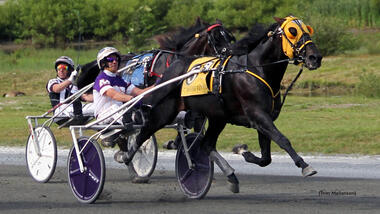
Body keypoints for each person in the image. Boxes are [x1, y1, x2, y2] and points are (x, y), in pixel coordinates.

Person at [93, 47, 152, 162]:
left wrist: (160, 85)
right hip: (103, 117)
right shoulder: (101, 79)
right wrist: (131, 99)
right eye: (110, 59)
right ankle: (114, 135)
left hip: (120, 114)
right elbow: (113, 95)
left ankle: (124, 139)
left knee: (144, 108)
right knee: (118, 108)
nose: (114, 61)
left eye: (116, 59)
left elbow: (140, 92)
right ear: (103, 62)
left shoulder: (121, 80)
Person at [46, 56, 94, 122]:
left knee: (97, 106)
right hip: (61, 111)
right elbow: (56, 89)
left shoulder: (74, 85)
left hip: (76, 109)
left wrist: (100, 97)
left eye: (64, 68)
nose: (61, 70)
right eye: (59, 68)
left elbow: (85, 97)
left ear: (70, 70)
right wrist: (70, 80)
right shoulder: (53, 81)